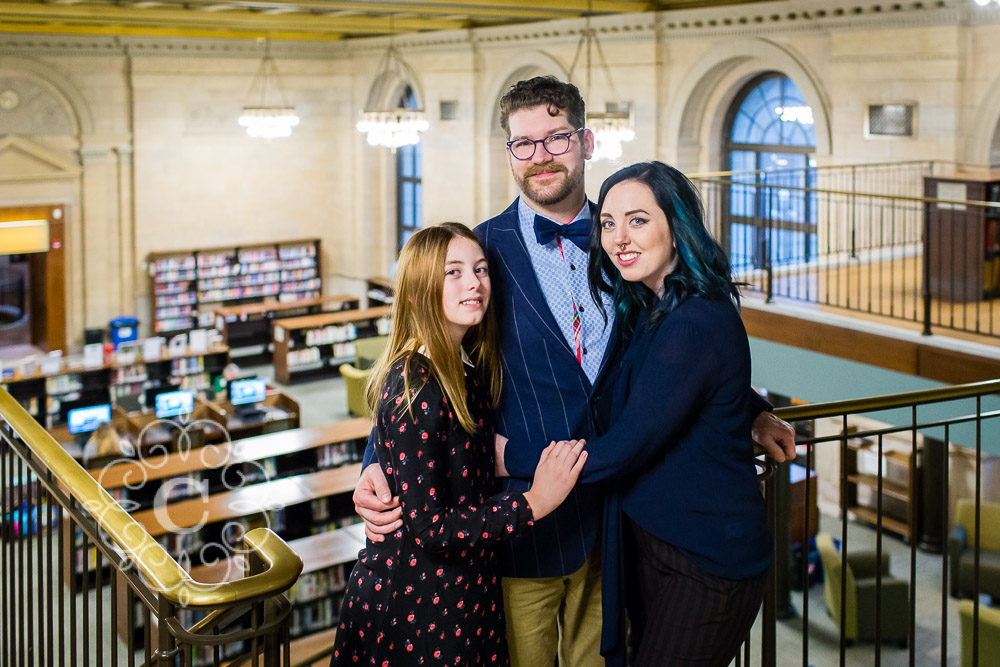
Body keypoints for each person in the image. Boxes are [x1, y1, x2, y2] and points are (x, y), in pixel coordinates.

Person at [354, 76, 797, 667]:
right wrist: (377, 461)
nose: (541, 156)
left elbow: (669, 354)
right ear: (509, 153)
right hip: (522, 532)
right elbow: (427, 357)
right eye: (524, 143)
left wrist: (747, 406)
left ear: (587, 143)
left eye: (556, 138)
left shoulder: (624, 245)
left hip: (615, 525)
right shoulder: (481, 257)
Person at [331, 223, 587, 666]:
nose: (474, 283)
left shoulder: (462, 367)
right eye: (453, 272)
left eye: (481, 269)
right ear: (416, 292)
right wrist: (534, 502)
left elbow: (460, 465)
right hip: (419, 606)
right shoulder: (416, 384)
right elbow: (431, 528)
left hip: (461, 591)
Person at [577, 161, 772, 665]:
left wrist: (509, 458)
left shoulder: (693, 321)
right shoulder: (649, 305)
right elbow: (670, 389)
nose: (619, 237)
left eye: (638, 220)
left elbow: (623, 446)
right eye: (609, 223)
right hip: (656, 541)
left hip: (705, 560)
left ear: (676, 226)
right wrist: (752, 409)